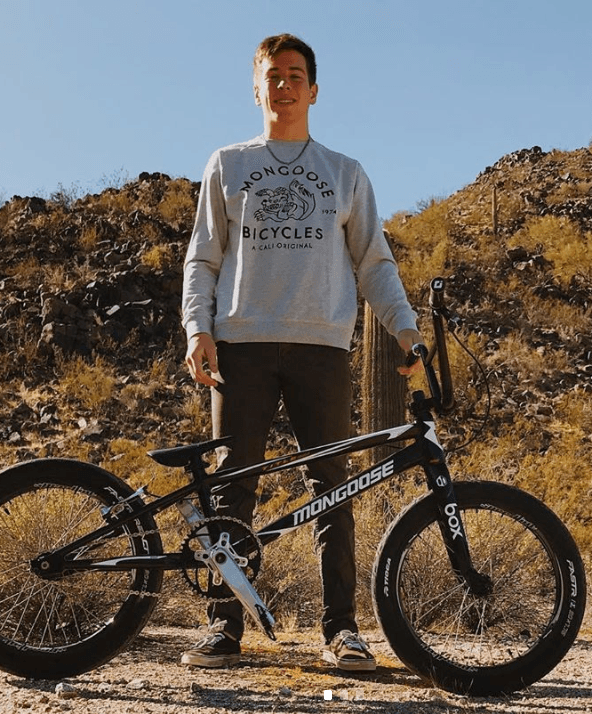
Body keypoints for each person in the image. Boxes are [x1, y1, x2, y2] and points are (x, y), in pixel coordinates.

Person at [180, 33, 422, 671]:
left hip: (322, 346)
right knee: (233, 485)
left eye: (294, 75)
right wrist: (197, 329)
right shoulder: (227, 164)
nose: (283, 85)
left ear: (313, 90)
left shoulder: (345, 172)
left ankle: (341, 630)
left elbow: (374, 263)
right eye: (273, 75)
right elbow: (203, 258)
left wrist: (405, 330)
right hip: (241, 344)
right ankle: (224, 626)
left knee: (331, 488)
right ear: (256, 89)